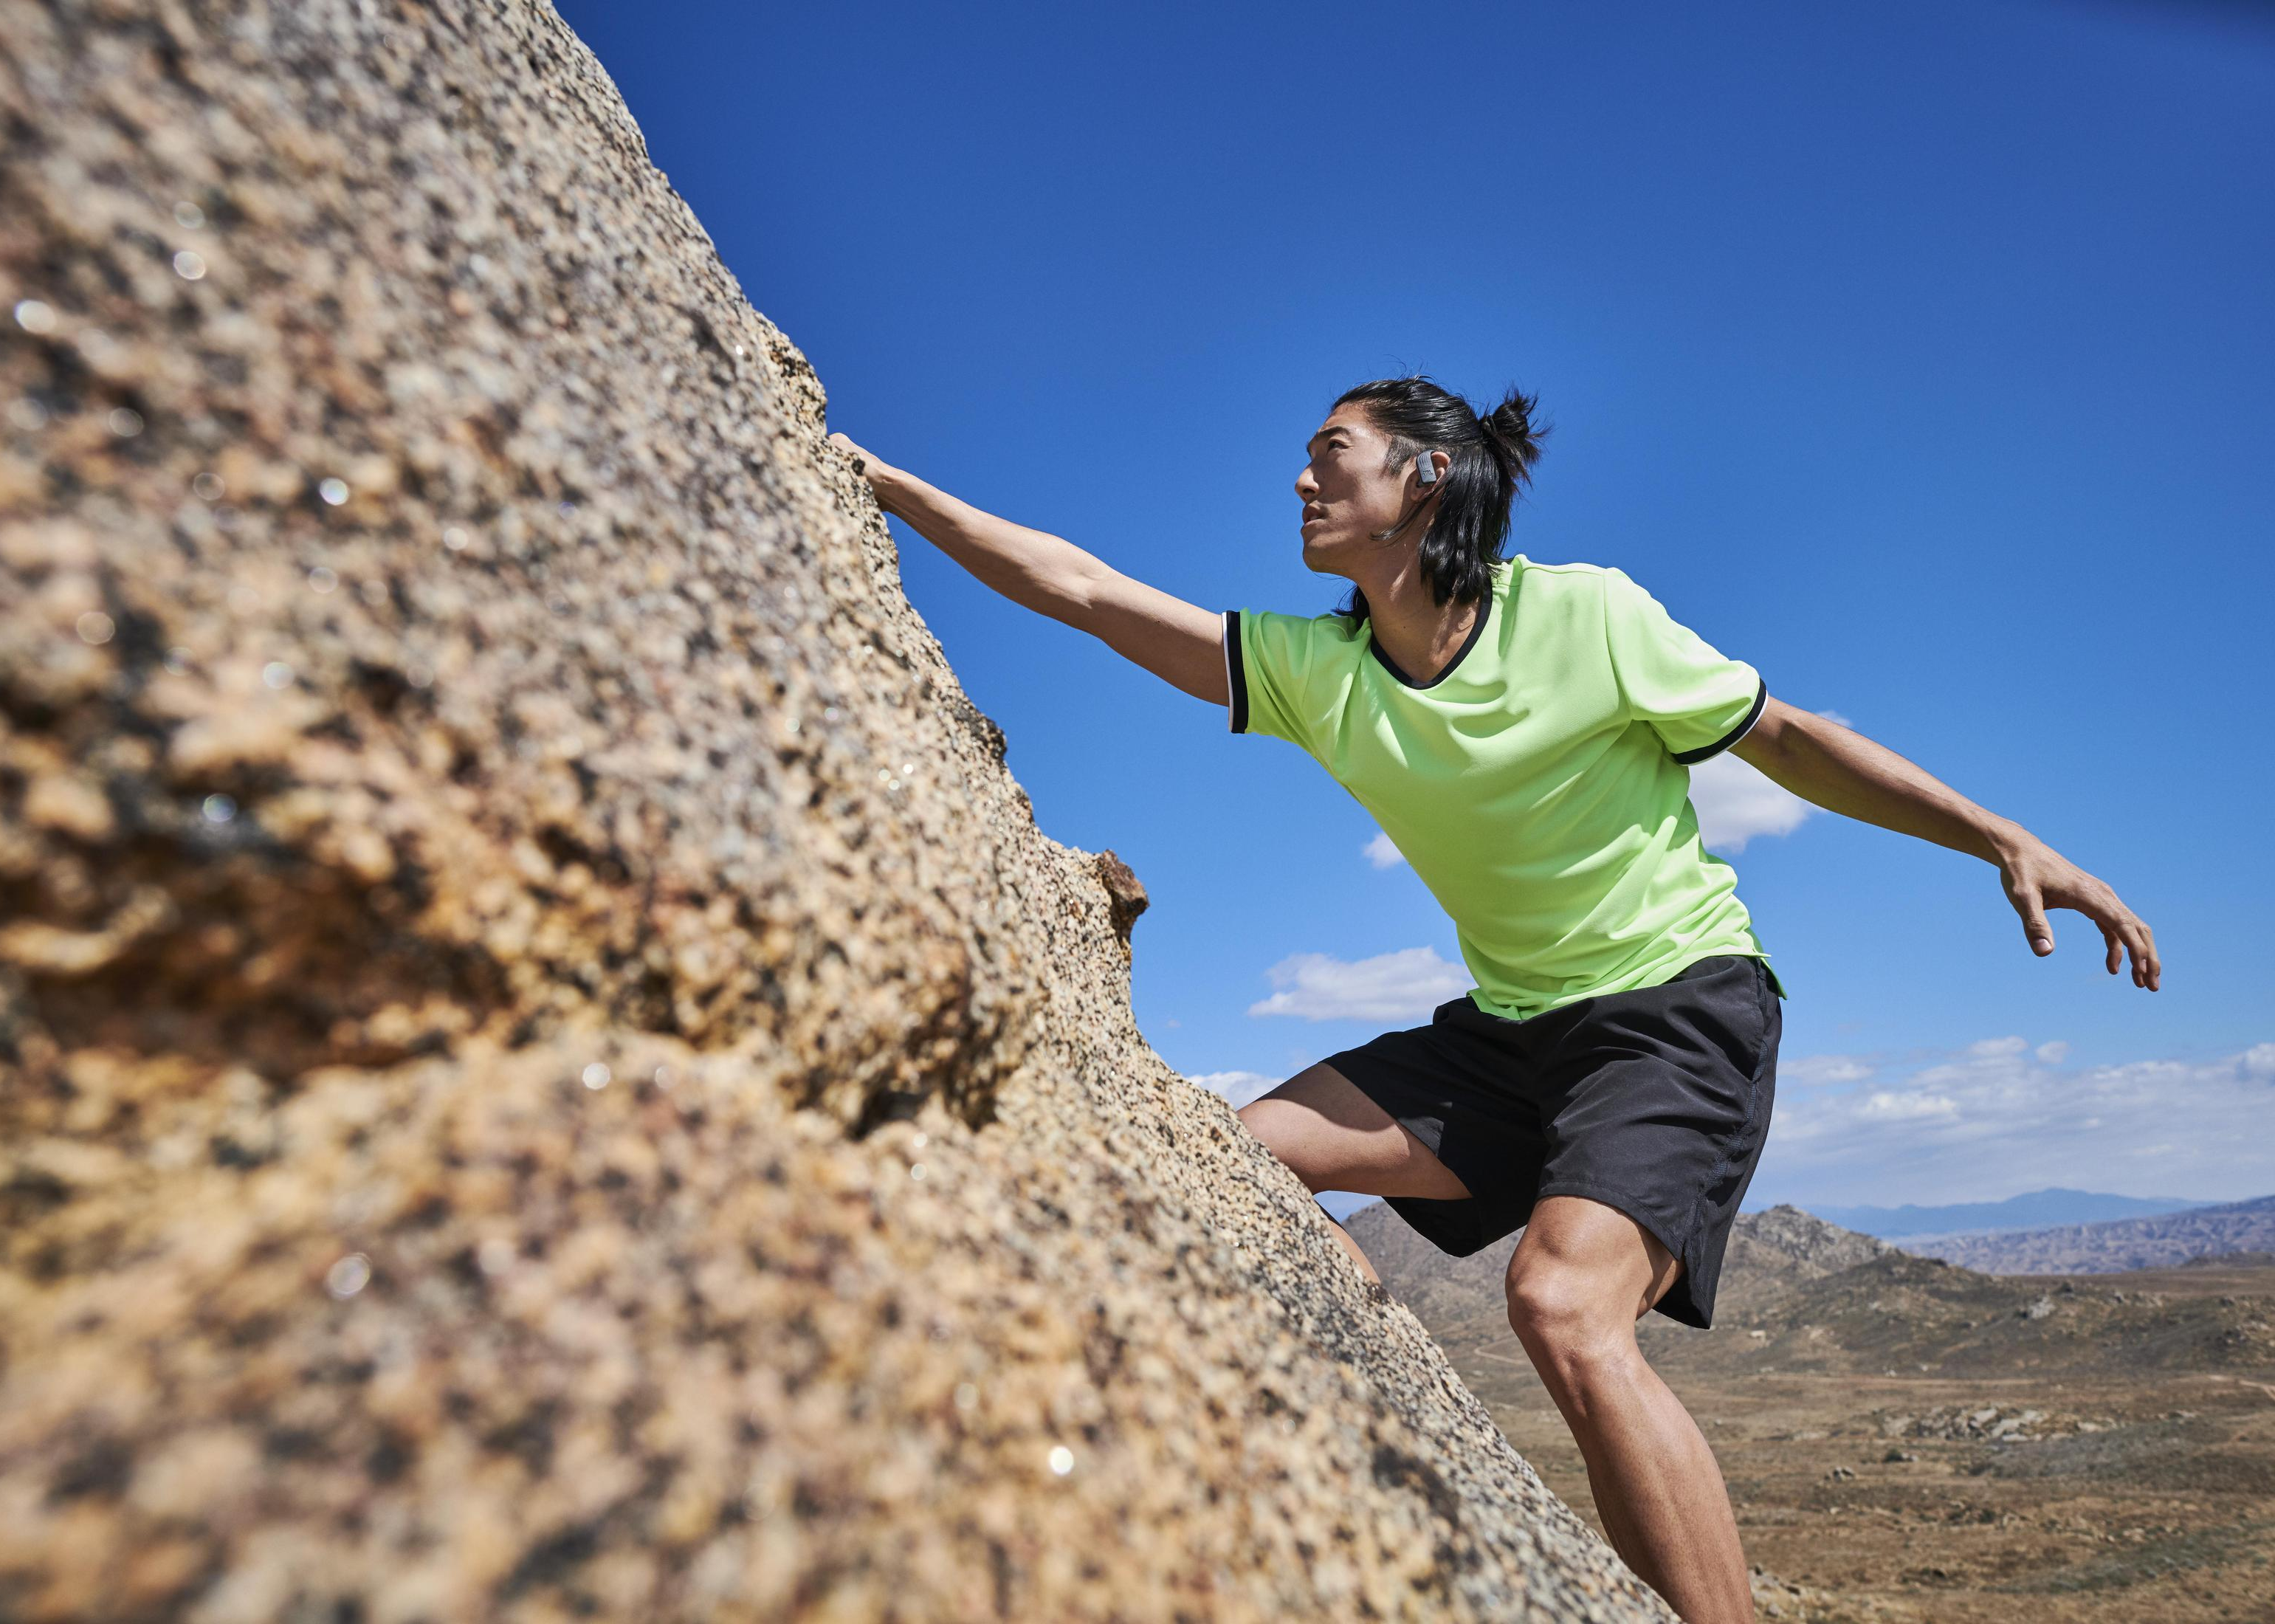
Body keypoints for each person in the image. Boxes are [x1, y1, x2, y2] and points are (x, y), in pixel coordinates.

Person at [829, 376, 2160, 1624]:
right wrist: (883, 485)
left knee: (1564, 1308)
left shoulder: (1582, 614)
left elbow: (1793, 741)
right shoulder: (1321, 670)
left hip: (1674, 1010)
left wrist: (2001, 837)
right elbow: (1082, 588)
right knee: (1215, 1163)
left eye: (1329, 457)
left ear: (1426, 478)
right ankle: (1391, 1440)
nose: (1299, 482)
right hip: (1506, 1035)